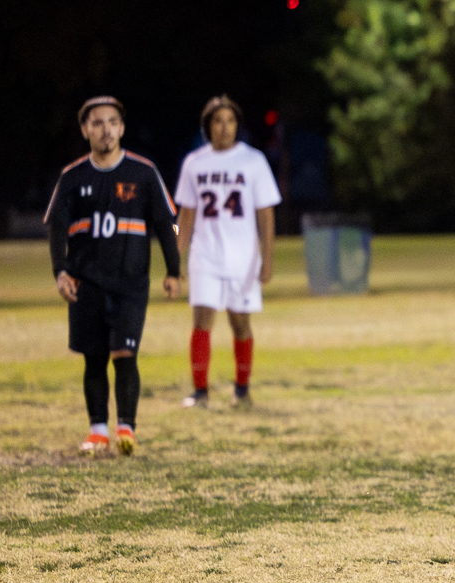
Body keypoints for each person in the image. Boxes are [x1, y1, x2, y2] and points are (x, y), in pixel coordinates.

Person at [44, 96, 181, 456]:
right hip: (84, 282)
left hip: (130, 285)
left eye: (112, 122)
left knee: (124, 354)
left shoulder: (143, 172)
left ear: (122, 128)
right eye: (97, 123)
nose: (105, 129)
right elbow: (57, 228)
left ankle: (127, 430)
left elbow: (166, 225)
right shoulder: (72, 177)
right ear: (85, 129)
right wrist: (60, 272)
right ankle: (98, 431)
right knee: (94, 357)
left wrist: (173, 270)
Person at [175, 95, 281, 408]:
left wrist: (268, 259)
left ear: (238, 125)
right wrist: (174, 257)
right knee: (201, 321)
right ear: (208, 126)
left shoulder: (253, 161)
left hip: (243, 258)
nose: (225, 127)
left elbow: (266, 213)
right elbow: (185, 216)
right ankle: (201, 393)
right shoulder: (195, 162)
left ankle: (242, 391)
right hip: (205, 256)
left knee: (241, 324)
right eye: (218, 121)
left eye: (230, 121)